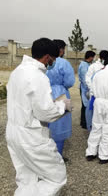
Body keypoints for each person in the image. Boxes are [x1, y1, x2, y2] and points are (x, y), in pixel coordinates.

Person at [6, 38, 72, 195]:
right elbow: (45, 113)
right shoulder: (37, 76)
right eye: (54, 59)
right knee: (56, 176)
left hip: (13, 131)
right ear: (47, 57)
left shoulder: (18, 72)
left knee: (27, 177)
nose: (53, 62)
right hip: (30, 136)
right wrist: (63, 106)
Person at [46, 39, 75, 161]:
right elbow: (69, 82)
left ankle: (45, 155)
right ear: (61, 50)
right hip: (60, 94)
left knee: (45, 123)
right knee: (59, 125)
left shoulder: (45, 60)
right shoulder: (64, 63)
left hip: (45, 92)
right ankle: (58, 156)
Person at [85, 50, 108, 130]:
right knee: (93, 115)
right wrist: (93, 89)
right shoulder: (93, 66)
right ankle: (92, 130)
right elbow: (88, 79)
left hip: (104, 96)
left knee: (102, 117)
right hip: (94, 95)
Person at [78, 51, 96, 129]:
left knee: (86, 105)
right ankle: (84, 123)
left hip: (87, 88)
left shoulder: (87, 65)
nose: (93, 59)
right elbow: (85, 79)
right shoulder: (84, 66)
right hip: (85, 89)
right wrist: (89, 88)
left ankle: (84, 122)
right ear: (90, 57)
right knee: (85, 106)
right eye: (93, 57)